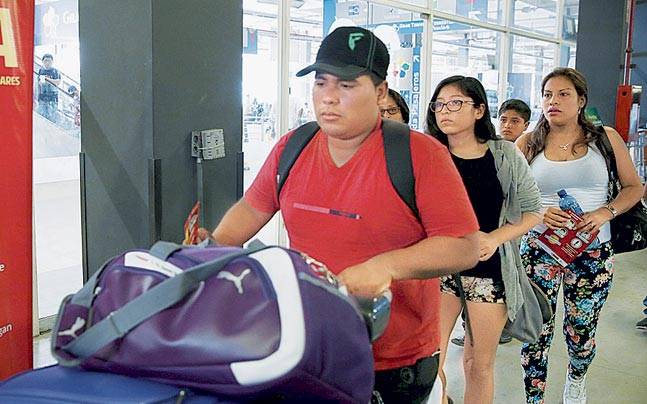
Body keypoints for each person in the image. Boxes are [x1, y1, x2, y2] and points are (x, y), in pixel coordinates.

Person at [199, 26, 480, 404]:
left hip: (393, 361)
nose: (329, 97)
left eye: (347, 85)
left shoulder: (419, 155)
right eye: (320, 82)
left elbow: (464, 248)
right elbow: (253, 208)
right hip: (305, 342)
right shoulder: (292, 148)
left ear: (380, 92)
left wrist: (386, 266)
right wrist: (207, 252)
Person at [515, 67, 643, 404]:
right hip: (538, 251)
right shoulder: (527, 143)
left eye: (562, 94)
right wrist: (539, 213)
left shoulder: (605, 138)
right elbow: (507, 197)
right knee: (535, 331)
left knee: (581, 330)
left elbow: (633, 188)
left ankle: (576, 378)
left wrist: (606, 211)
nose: (553, 101)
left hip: (592, 253)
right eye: (547, 95)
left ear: (580, 100)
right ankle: (534, 396)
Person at [426, 76, 542, 404]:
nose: (444, 111)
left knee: (479, 365)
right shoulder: (429, 154)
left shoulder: (503, 154)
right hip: (439, 269)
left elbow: (533, 211)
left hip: (489, 273)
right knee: (428, 358)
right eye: (439, 104)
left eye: (455, 103)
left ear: (479, 110)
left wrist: (494, 239)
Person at [36, 53, 61, 123]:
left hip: (53, 98)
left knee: (52, 117)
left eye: (49, 61)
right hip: (42, 97)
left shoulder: (55, 71)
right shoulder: (41, 71)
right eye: (45, 61)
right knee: (42, 116)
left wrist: (47, 79)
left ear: (52, 61)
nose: (47, 63)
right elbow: (40, 83)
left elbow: (58, 82)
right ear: (43, 61)